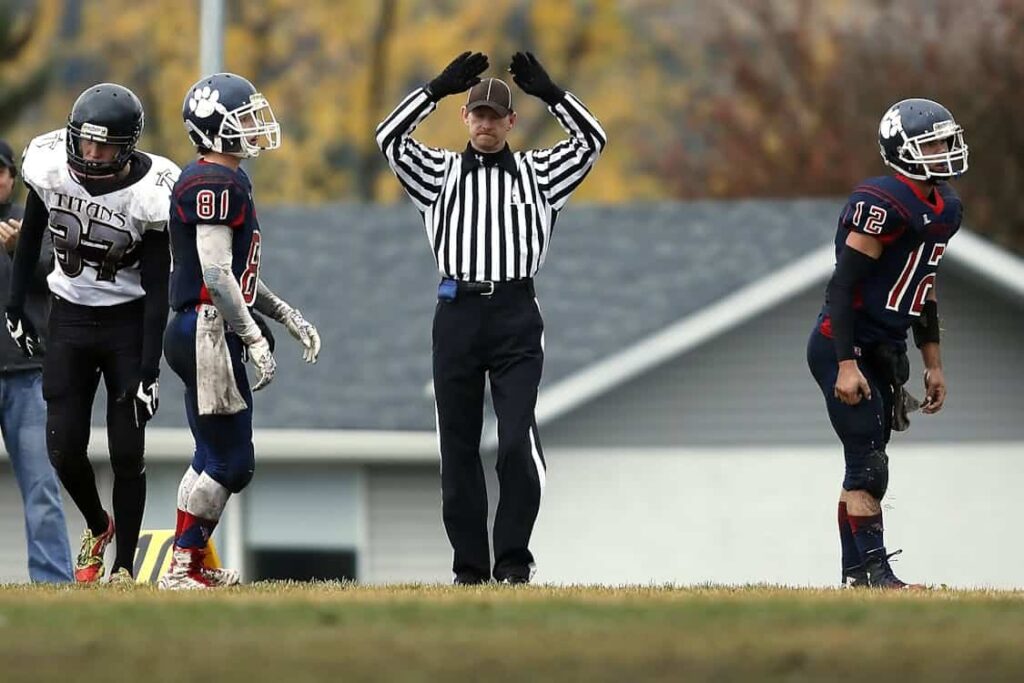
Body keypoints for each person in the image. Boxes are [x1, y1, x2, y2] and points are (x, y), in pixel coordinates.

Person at [376, 51, 606, 584]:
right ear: (466, 118)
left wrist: (552, 93)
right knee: (456, 448)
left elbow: (592, 142)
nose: (484, 123)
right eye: (476, 114)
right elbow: (389, 138)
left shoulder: (540, 174)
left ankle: (513, 565)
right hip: (456, 313)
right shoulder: (439, 173)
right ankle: (470, 571)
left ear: (510, 122)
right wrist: (435, 89)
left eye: (493, 116)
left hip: (515, 315)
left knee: (514, 442)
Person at [5, 84, 179, 584]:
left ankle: (123, 567)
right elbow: (32, 230)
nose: (92, 154)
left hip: (128, 320)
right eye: (85, 143)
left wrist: (149, 370)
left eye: (104, 146)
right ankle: (98, 525)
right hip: (70, 316)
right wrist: (16, 306)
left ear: (127, 147)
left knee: (127, 449)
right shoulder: (49, 164)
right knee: (62, 446)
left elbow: (156, 285)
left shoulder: (151, 191)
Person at [158, 73, 321, 590]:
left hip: (199, 324)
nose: (255, 127)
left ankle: (192, 562)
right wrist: (251, 336)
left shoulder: (227, 178)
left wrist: (286, 316)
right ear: (213, 128)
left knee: (210, 454)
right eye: (243, 118)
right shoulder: (214, 181)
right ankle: (182, 563)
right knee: (233, 462)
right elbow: (215, 274)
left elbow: (238, 275)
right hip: (207, 329)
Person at [807, 98, 968, 588]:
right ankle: (877, 575)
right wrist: (845, 363)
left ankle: (856, 575)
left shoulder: (946, 209)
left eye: (946, 140)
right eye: (933, 143)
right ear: (904, 151)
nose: (945, 150)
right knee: (868, 465)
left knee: (867, 459)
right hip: (845, 344)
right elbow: (843, 285)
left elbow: (925, 286)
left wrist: (932, 363)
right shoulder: (882, 202)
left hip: (883, 346)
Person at [0, 139, 74, 583]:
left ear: (13, 177)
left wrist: (17, 252)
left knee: (42, 488)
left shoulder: (34, 222)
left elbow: (62, 277)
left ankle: (53, 581)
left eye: (2, 170)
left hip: (29, 376)